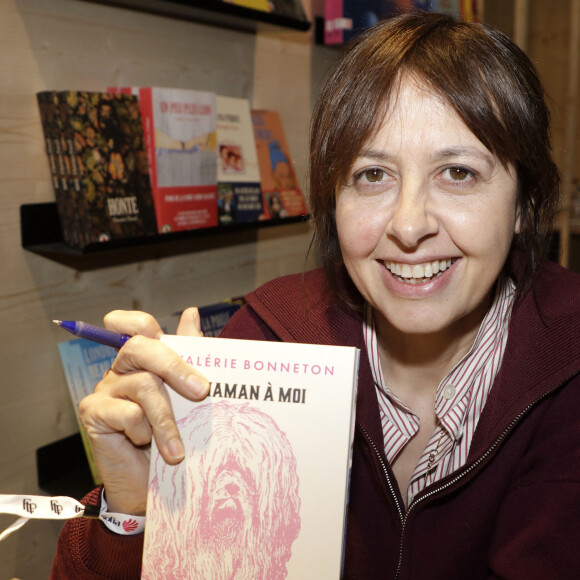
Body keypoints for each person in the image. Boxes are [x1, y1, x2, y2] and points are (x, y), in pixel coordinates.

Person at [51, 11, 580, 579]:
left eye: (457, 172)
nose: (408, 225)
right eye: (372, 175)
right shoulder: (267, 338)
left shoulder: (567, 369)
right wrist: (134, 510)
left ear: (525, 205)